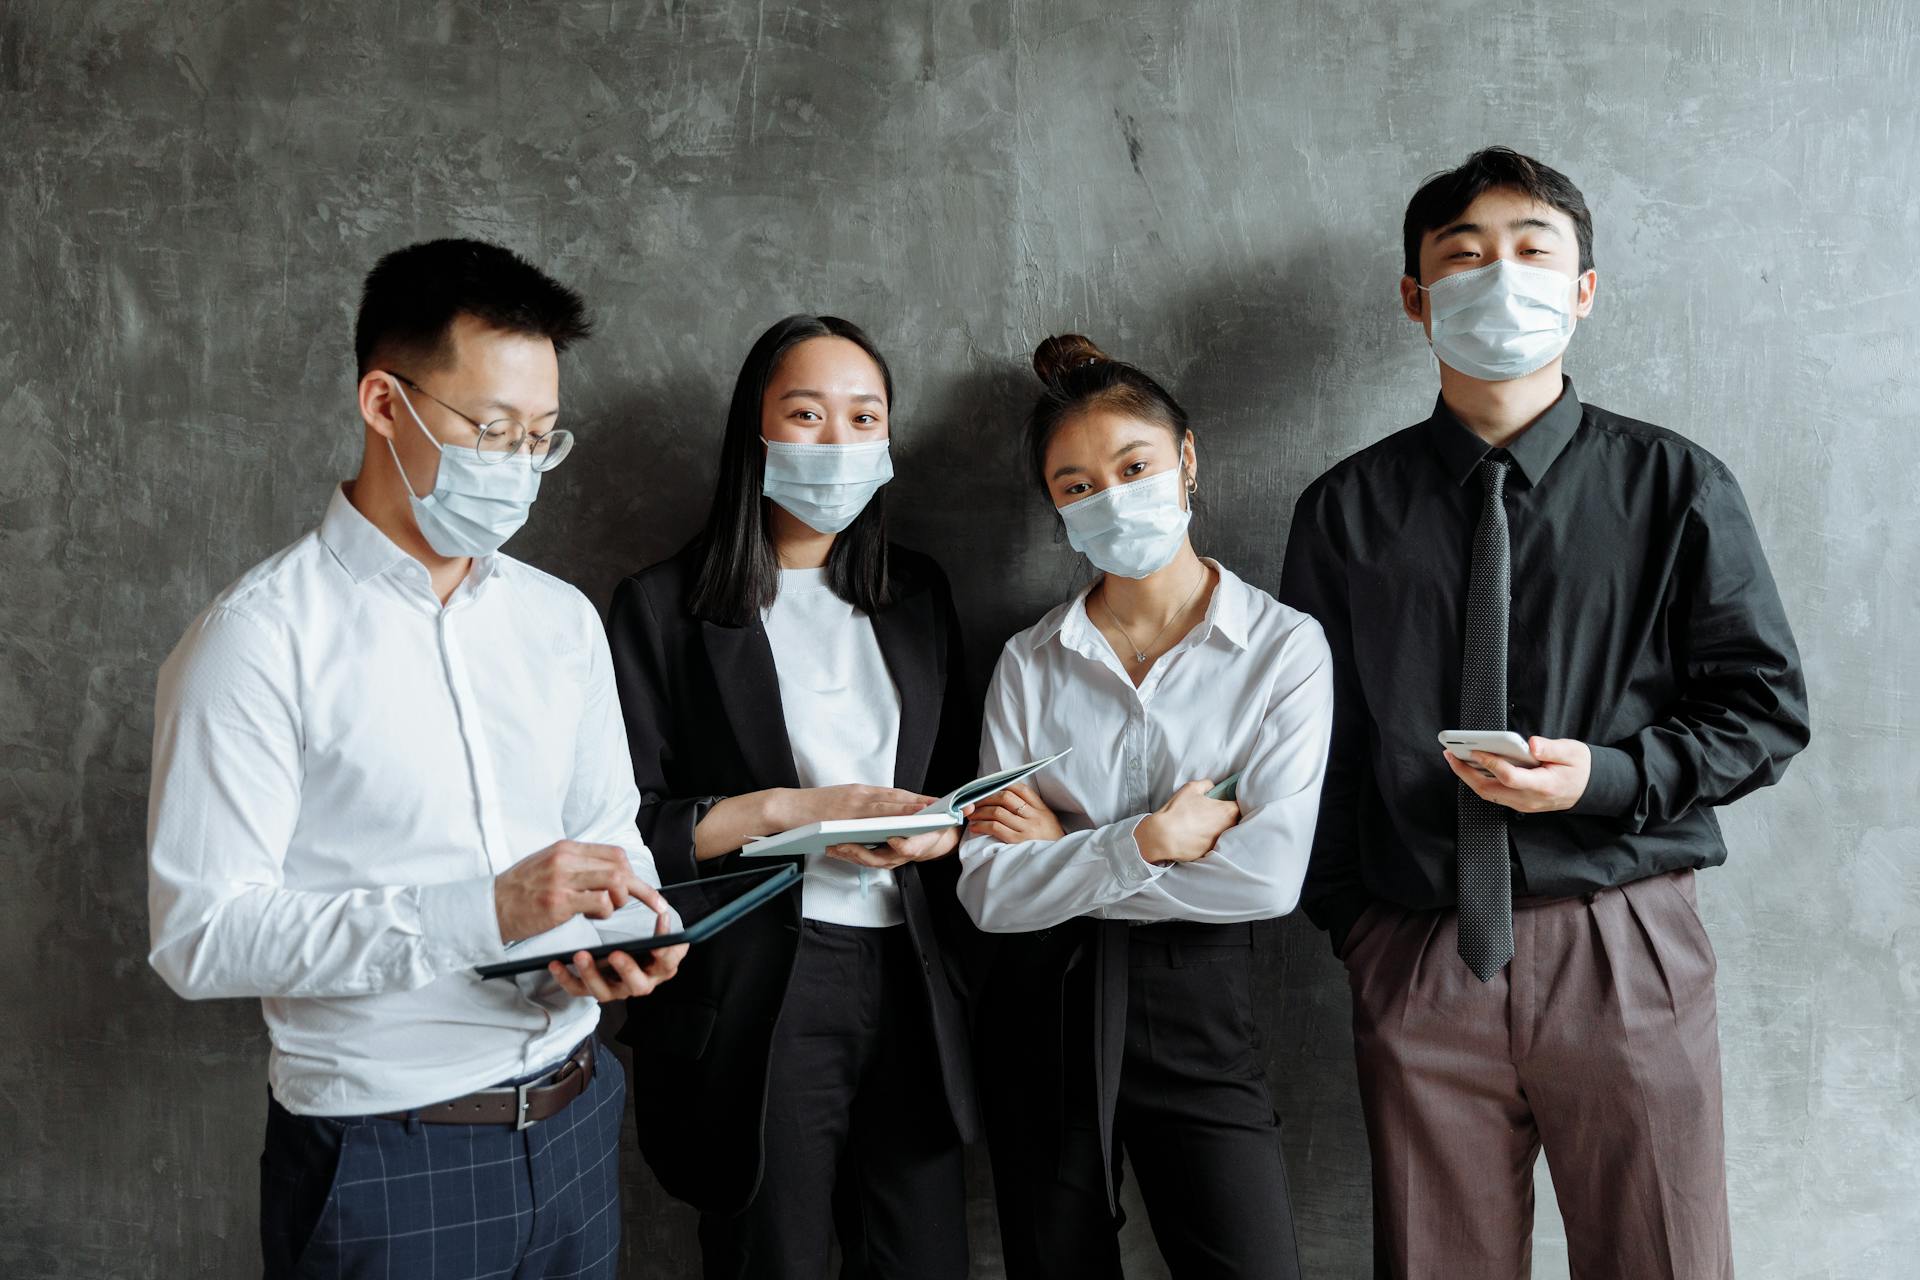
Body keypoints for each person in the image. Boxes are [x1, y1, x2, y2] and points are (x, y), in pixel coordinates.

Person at [1278, 147, 1811, 1279]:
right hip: (1419, 944)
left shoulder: (1676, 486)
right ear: (1416, 296)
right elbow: (1321, 745)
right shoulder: (1343, 510)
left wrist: (1604, 777)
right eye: (1464, 257)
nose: (1501, 278)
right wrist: (1361, 930)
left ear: (1584, 289)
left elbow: (1763, 711)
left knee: (1663, 1256)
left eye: (1532, 252)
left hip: (1621, 937)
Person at [146, 237, 686, 1280]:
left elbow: (608, 835)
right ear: (384, 403)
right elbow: (201, 935)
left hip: (578, 1118)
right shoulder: (256, 640)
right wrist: (486, 912)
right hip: (386, 1153)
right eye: (491, 429)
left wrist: (635, 928)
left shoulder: (560, 620)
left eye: (540, 437)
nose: (518, 464)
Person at [606, 314, 981, 1280]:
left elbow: (958, 787)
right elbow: (628, 827)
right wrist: (788, 813)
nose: (839, 441)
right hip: (759, 988)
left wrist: (938, 834)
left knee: (924, 1258)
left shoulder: (918, 593)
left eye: (865, 417)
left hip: (911, 973)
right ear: (756, 430)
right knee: (773, 1259)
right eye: (807, 414)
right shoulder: (663, 607)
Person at [956, 333, 1332, 1280]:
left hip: (1199, 999)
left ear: (1187, 458)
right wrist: (1153, 839)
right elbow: (990, 895)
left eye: (1133, 468)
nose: (1113, 499)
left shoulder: (1283, 649)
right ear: (1055, 506)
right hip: (1042, 1003)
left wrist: (1069, 848)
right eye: (1078, 485)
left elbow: (1265, 879)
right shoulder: (1029, 662)